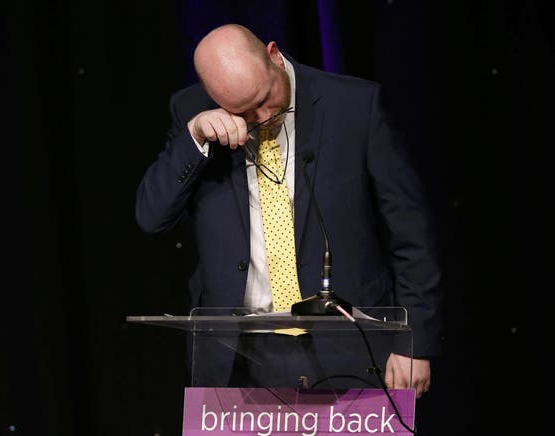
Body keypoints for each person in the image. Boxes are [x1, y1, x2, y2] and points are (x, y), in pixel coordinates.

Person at [135, 23, 442, 399]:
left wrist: (416, 342)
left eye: (264, 98)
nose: (261, 117)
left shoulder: (354, 106)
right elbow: (152, 217)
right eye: (243, 111)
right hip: (237, 362)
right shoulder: (191, 110)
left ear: (274, 56)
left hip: (355, 351)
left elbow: (411, 234)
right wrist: (195, 138)